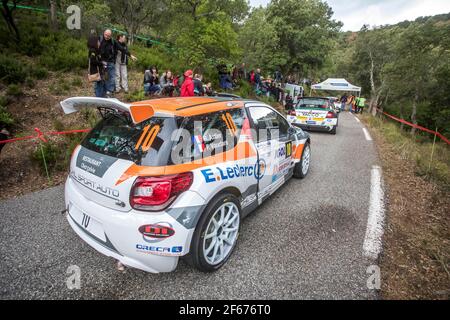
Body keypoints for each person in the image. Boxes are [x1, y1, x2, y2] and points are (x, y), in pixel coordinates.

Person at [99, 29, 127, 98]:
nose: (107, 37)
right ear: (104, 33)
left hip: (110, 61)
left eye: (108, 36)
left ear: (111, 36)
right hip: (101, 61)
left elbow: (121, 48)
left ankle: (109, 91)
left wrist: (130, 55)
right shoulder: (100, 39)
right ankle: (102, 91)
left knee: (112, 77)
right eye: (106, 35)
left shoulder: (113, 41)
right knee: (101, 77)